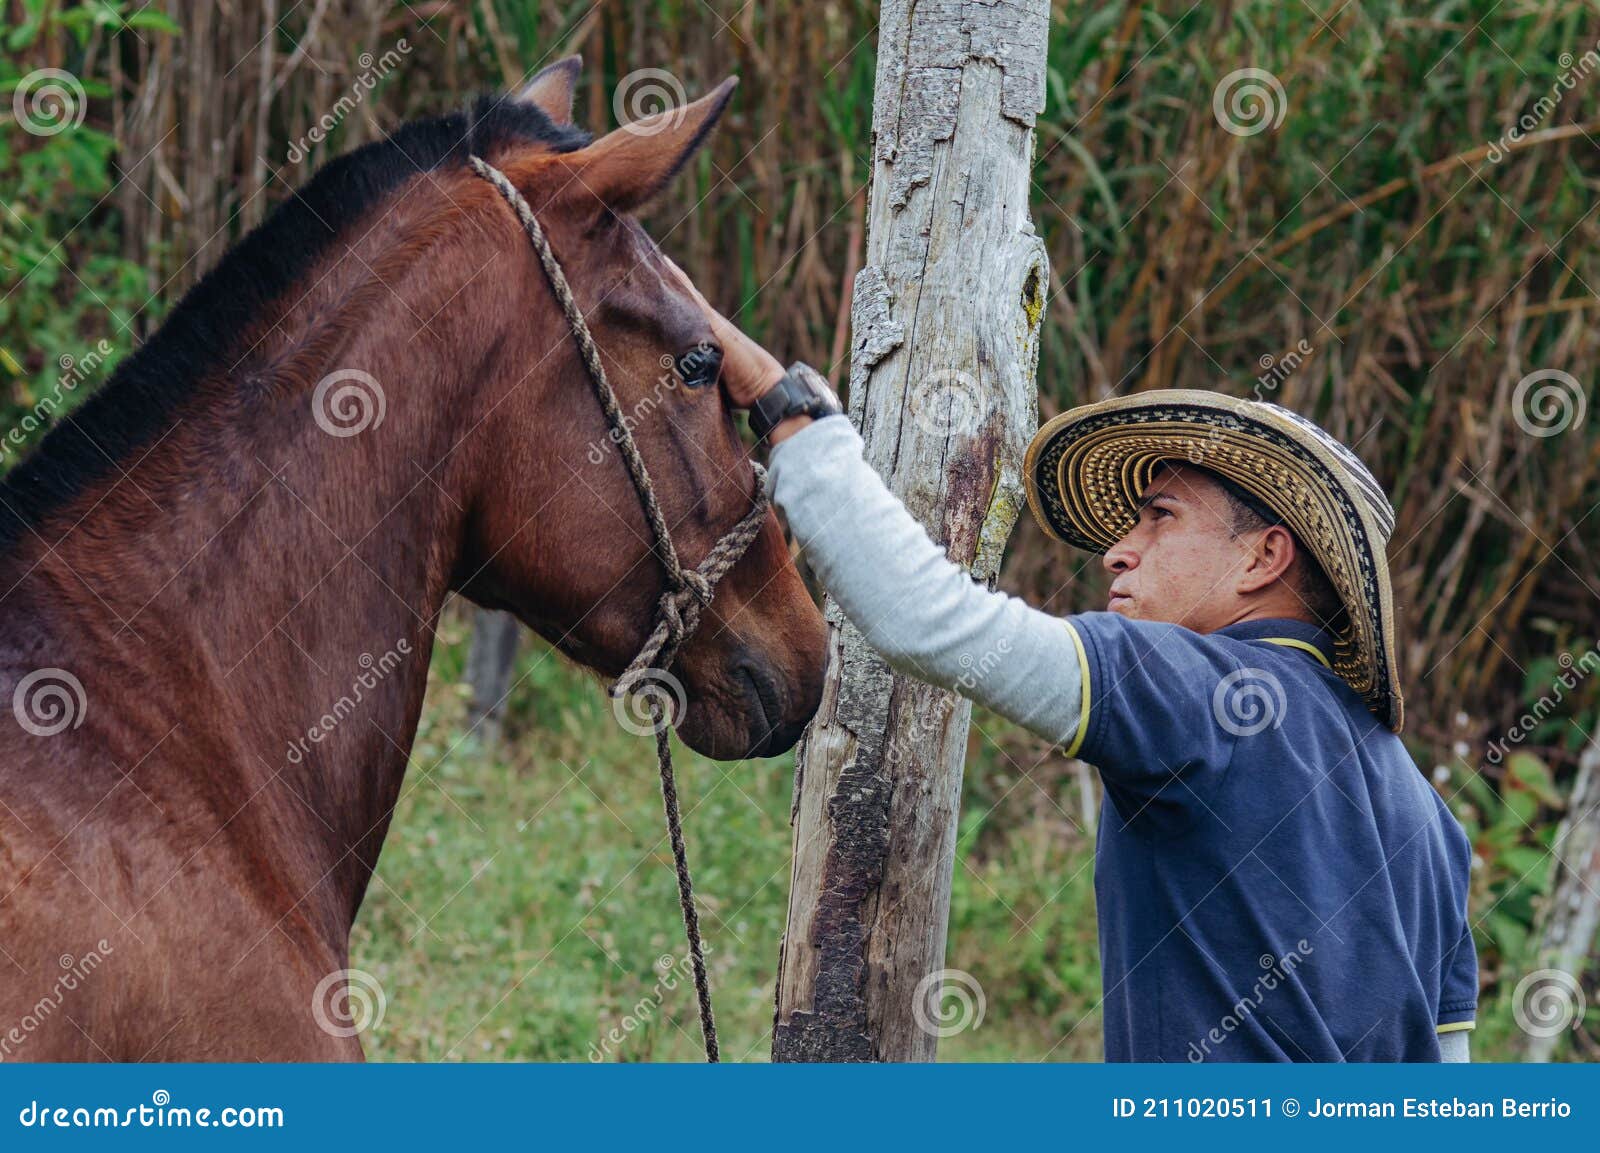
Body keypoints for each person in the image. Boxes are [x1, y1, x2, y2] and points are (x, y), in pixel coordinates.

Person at [678, 270, 1477, 1063]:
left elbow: (924, 619)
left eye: (1160, 516)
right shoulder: (1430, 819)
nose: (1117, 552)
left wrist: (790, 412)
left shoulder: (1195, 688)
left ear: (1264, 557)